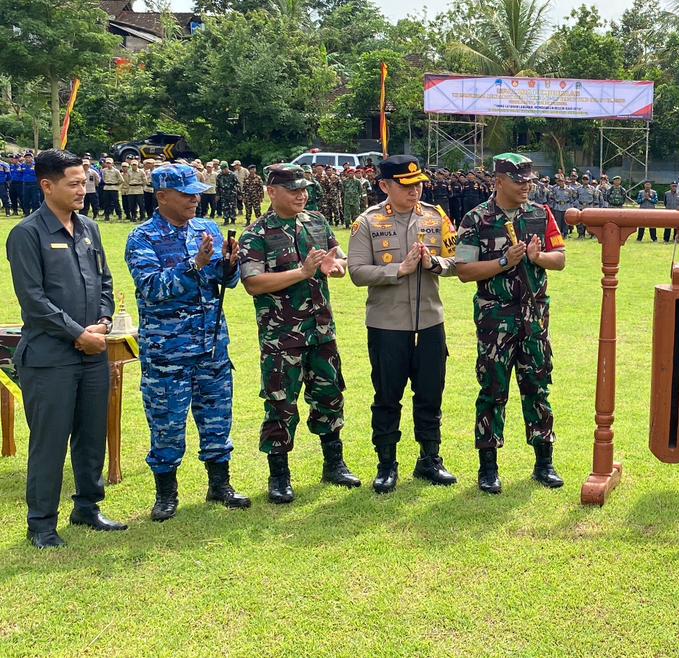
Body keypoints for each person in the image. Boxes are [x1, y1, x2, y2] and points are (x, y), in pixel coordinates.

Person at [5, 149, 125, 548]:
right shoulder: (27, 234)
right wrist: (77, 333)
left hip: (92, 353)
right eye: (73, 184)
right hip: (50, 358)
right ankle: (41, 524)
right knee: (50, 442)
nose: (82, 190)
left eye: (84, 182)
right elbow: (34, 301)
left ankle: (87, 507)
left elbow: (105, 283)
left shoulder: (88, 228)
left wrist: (103, 323)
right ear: (47, 186)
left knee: (91, 436)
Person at [125, 164, 250, 521]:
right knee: (167, 424)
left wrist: (229, 264)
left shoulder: (206, 228)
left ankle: (219, 484)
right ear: (162, 196)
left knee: (217, 420)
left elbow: (226, 282)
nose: (195, 200)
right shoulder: (143, 238)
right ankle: (166, 494)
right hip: (168, 352)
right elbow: (152, 288)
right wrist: (194, 264)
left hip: (211, 346)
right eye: (186, 194)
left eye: (197, 193)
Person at [239, 163, 360, 503]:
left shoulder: (317, 222)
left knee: (329, 396)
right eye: (293, 190)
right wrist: (302, 272)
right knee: (281, 403)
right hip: (282, 336)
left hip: (321, 332)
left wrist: (336, 267)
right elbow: (253, 283)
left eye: (304, 189)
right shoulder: (257, 234)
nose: (301, 195)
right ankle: (279, 476)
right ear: (272, 192)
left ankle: (334, 464)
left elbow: (340, 259)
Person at [455, 153, 567, 494]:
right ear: (499, 181)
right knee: (493, 390)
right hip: (496, 319)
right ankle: (488, 467)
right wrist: (504, 262)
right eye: (519, 181)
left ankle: (544, 462)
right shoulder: (476, 218)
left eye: (529, 181)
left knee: (537, 387)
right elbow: (464, 271)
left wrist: (538, 257)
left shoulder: (540, 214)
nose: (525, 186)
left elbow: (560, 259)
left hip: (534, 319)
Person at [348, 156, 459, 494]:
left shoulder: (435, 216)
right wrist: (398, 270)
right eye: (406, 185)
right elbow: (357, 271)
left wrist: (435, 263)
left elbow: (457, 260)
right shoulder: (367, 222)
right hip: (387, 325)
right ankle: (386, 464)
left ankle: (430, 459)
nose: (415, 191)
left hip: (429, 321)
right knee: (387, 396)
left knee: (430, 393)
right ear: (384, 185)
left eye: (419, 184)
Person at [99, 157, 122, 221]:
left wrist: (116, 184)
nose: (108, 164)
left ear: (112, 163)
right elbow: (102, 178)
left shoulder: (116, 171)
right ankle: (107, 215)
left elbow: (121, 180)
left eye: (109, 163)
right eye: (107, 163)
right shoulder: (103, 170)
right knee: (106, 202)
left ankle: (119, 214)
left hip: (114, 188)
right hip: (106, 187)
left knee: (116, 202)